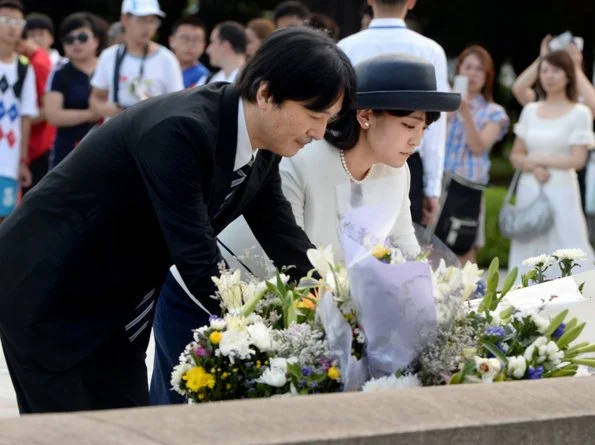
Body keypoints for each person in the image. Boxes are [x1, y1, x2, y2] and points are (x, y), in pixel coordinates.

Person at [0, 26, 355, 414]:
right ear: (266, 94)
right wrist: (262, 329)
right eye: (313, 114)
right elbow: (196, 254)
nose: (318, 132)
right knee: (65, 433)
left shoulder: (263, 148)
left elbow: (284, 237)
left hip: (117, 304)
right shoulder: (182, 130)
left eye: (329, 119)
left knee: (130, 428)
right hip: (49, 289)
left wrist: (339, 306)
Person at [196, 53, 462, 283]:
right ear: (366, 116)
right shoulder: (301, 156)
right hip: (227, 289)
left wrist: (428, 289)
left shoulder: (397, 171)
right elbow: (285, 250)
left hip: (312, 301)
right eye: (408, 126)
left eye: (423, 129)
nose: (416, 140)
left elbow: (404, 245)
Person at [337, 0, 450, 227]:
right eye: (410, 124)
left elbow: (334, 113)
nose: (419, 130)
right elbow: (435, 127)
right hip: (370, 161)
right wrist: (432, 187)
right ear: (411, 2)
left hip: (358, 158)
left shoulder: (346, 47)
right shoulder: (430, 50)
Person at [508, 50, 595, 276]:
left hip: (562, 191)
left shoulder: (580, 112)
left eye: (556, 70)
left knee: (569, 248)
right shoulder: (530, 110)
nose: (549, 76)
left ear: (568, 75)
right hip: (530, 189)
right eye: (544, 70)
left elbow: (577, 160)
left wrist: (537, 159)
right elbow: (516, 155)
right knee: (528, 254)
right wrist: (533, 167)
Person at [438, 45, 509, 265]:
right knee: (430, 242)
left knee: (464, 245)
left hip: (468, 188)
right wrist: (449, 112)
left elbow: (479, 146)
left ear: (487, 77)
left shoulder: (494, 112)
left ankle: (469, 296)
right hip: (438, 182)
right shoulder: (442, 105)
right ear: (458, 70)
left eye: (479, 69)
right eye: (468, 67)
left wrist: (465, 112)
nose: (472, 74)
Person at [89, 0, 183, 120]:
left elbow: (178, 104)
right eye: (142, 20)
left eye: (152, 21)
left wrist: (154, 106)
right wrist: (108, 109)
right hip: (117, 132)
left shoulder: (167, 59)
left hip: (152, 131)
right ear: (124, 19)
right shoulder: (109, 56)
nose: (148, 27)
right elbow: (95, 98)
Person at [44, 12, 102, 168]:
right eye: (69, 40)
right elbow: (53, 116)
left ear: (96, 40)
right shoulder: (59, 73)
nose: (76, 43)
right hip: (68, 152)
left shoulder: (110, 68)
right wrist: (92, 114)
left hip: (106, 148)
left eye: (82, 38)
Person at [0, 0, 36, 221]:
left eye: (17, 21)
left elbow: (26, 117)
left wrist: (23, 162)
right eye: (5, 20)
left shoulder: (24, 67)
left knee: (6, 220)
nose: (12, 26)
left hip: (9, 160)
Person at [18, 23, 55, 191]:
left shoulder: (38, 64)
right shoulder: (36, 59)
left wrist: (17, 122)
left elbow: (47, 109)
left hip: (37, 147)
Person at [168, 16, 210, 88]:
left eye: (196, 40)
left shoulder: (206, 79)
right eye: (185, 38)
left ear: (204, 45)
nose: (190, 45)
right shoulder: (159, 68)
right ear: (172, 40)